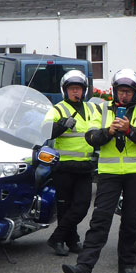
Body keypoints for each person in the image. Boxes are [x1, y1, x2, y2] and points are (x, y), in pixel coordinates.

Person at [61, 69, 136, 273]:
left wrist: (130, 130)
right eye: (120, 91)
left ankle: (126, 264)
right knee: (100, 220)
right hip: (109, 173)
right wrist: (109, 132)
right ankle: (83, 268)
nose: (124, 95)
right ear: (114, 91)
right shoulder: (102, 109)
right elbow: (91, 137)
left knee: (131, 221)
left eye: (128, 92)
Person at [45, 70, 97, 256]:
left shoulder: (92, 109)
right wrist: (60, 125)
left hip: (85, 166)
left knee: (81, 206)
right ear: (65, 90)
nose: (75, 91)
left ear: (84, 90)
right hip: (63, 166)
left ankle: (56, 238)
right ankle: (71, 241)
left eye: (78, 88)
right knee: (65, 207)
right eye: (72, 88)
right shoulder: (57, 109)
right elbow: (44, 132)